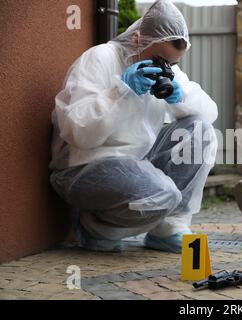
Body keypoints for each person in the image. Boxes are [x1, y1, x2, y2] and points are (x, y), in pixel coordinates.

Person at [49, 0, 218, 253]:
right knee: (164, 194)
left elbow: (210, 113)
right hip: (84, 167)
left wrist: (180, 95)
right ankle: (95, 227)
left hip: (137, 164)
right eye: (160, 60)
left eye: (171, 64)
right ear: (138, 39)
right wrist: (121, 92)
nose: (164, 68)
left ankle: (168, 228)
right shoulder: (100, 58)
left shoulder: (164, 66)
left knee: (200, 131)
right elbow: (79, 133)